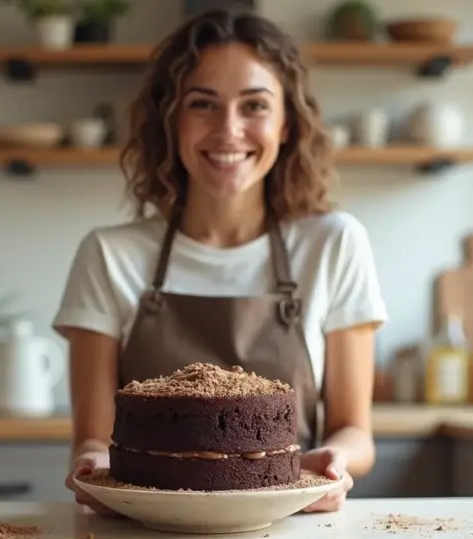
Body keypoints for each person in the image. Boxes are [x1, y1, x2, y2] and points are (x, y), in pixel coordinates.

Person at [53, 8, 388, 515]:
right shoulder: (108, 255)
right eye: (202, 104)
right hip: (148, 525)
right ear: (171, 119)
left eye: (254, 106)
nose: (229, 130)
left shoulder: (334, 244)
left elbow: (355, 431)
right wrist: (92, 464)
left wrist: (333, 462)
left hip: (287, 522)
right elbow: (95, 439)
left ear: (286, 123)